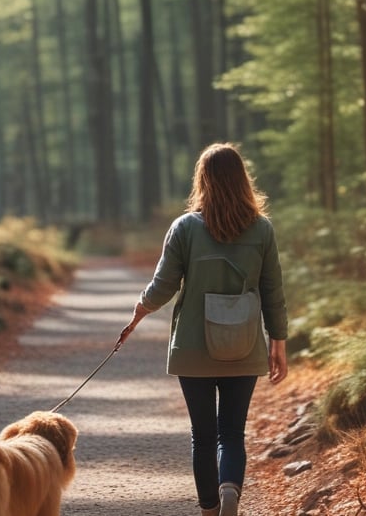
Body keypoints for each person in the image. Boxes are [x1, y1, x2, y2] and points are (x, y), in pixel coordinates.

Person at [118, 142, 288, 516]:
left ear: (203, 181)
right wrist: (278, 342)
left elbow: (163, 286)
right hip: (244, 346)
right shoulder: (262, 230)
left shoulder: (185, 228)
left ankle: (210, 509)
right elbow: (273, 291)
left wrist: (139, 312)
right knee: (232, 433)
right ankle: (230, 490)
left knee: (204, 435)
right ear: (242, 180)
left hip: (193, 347)